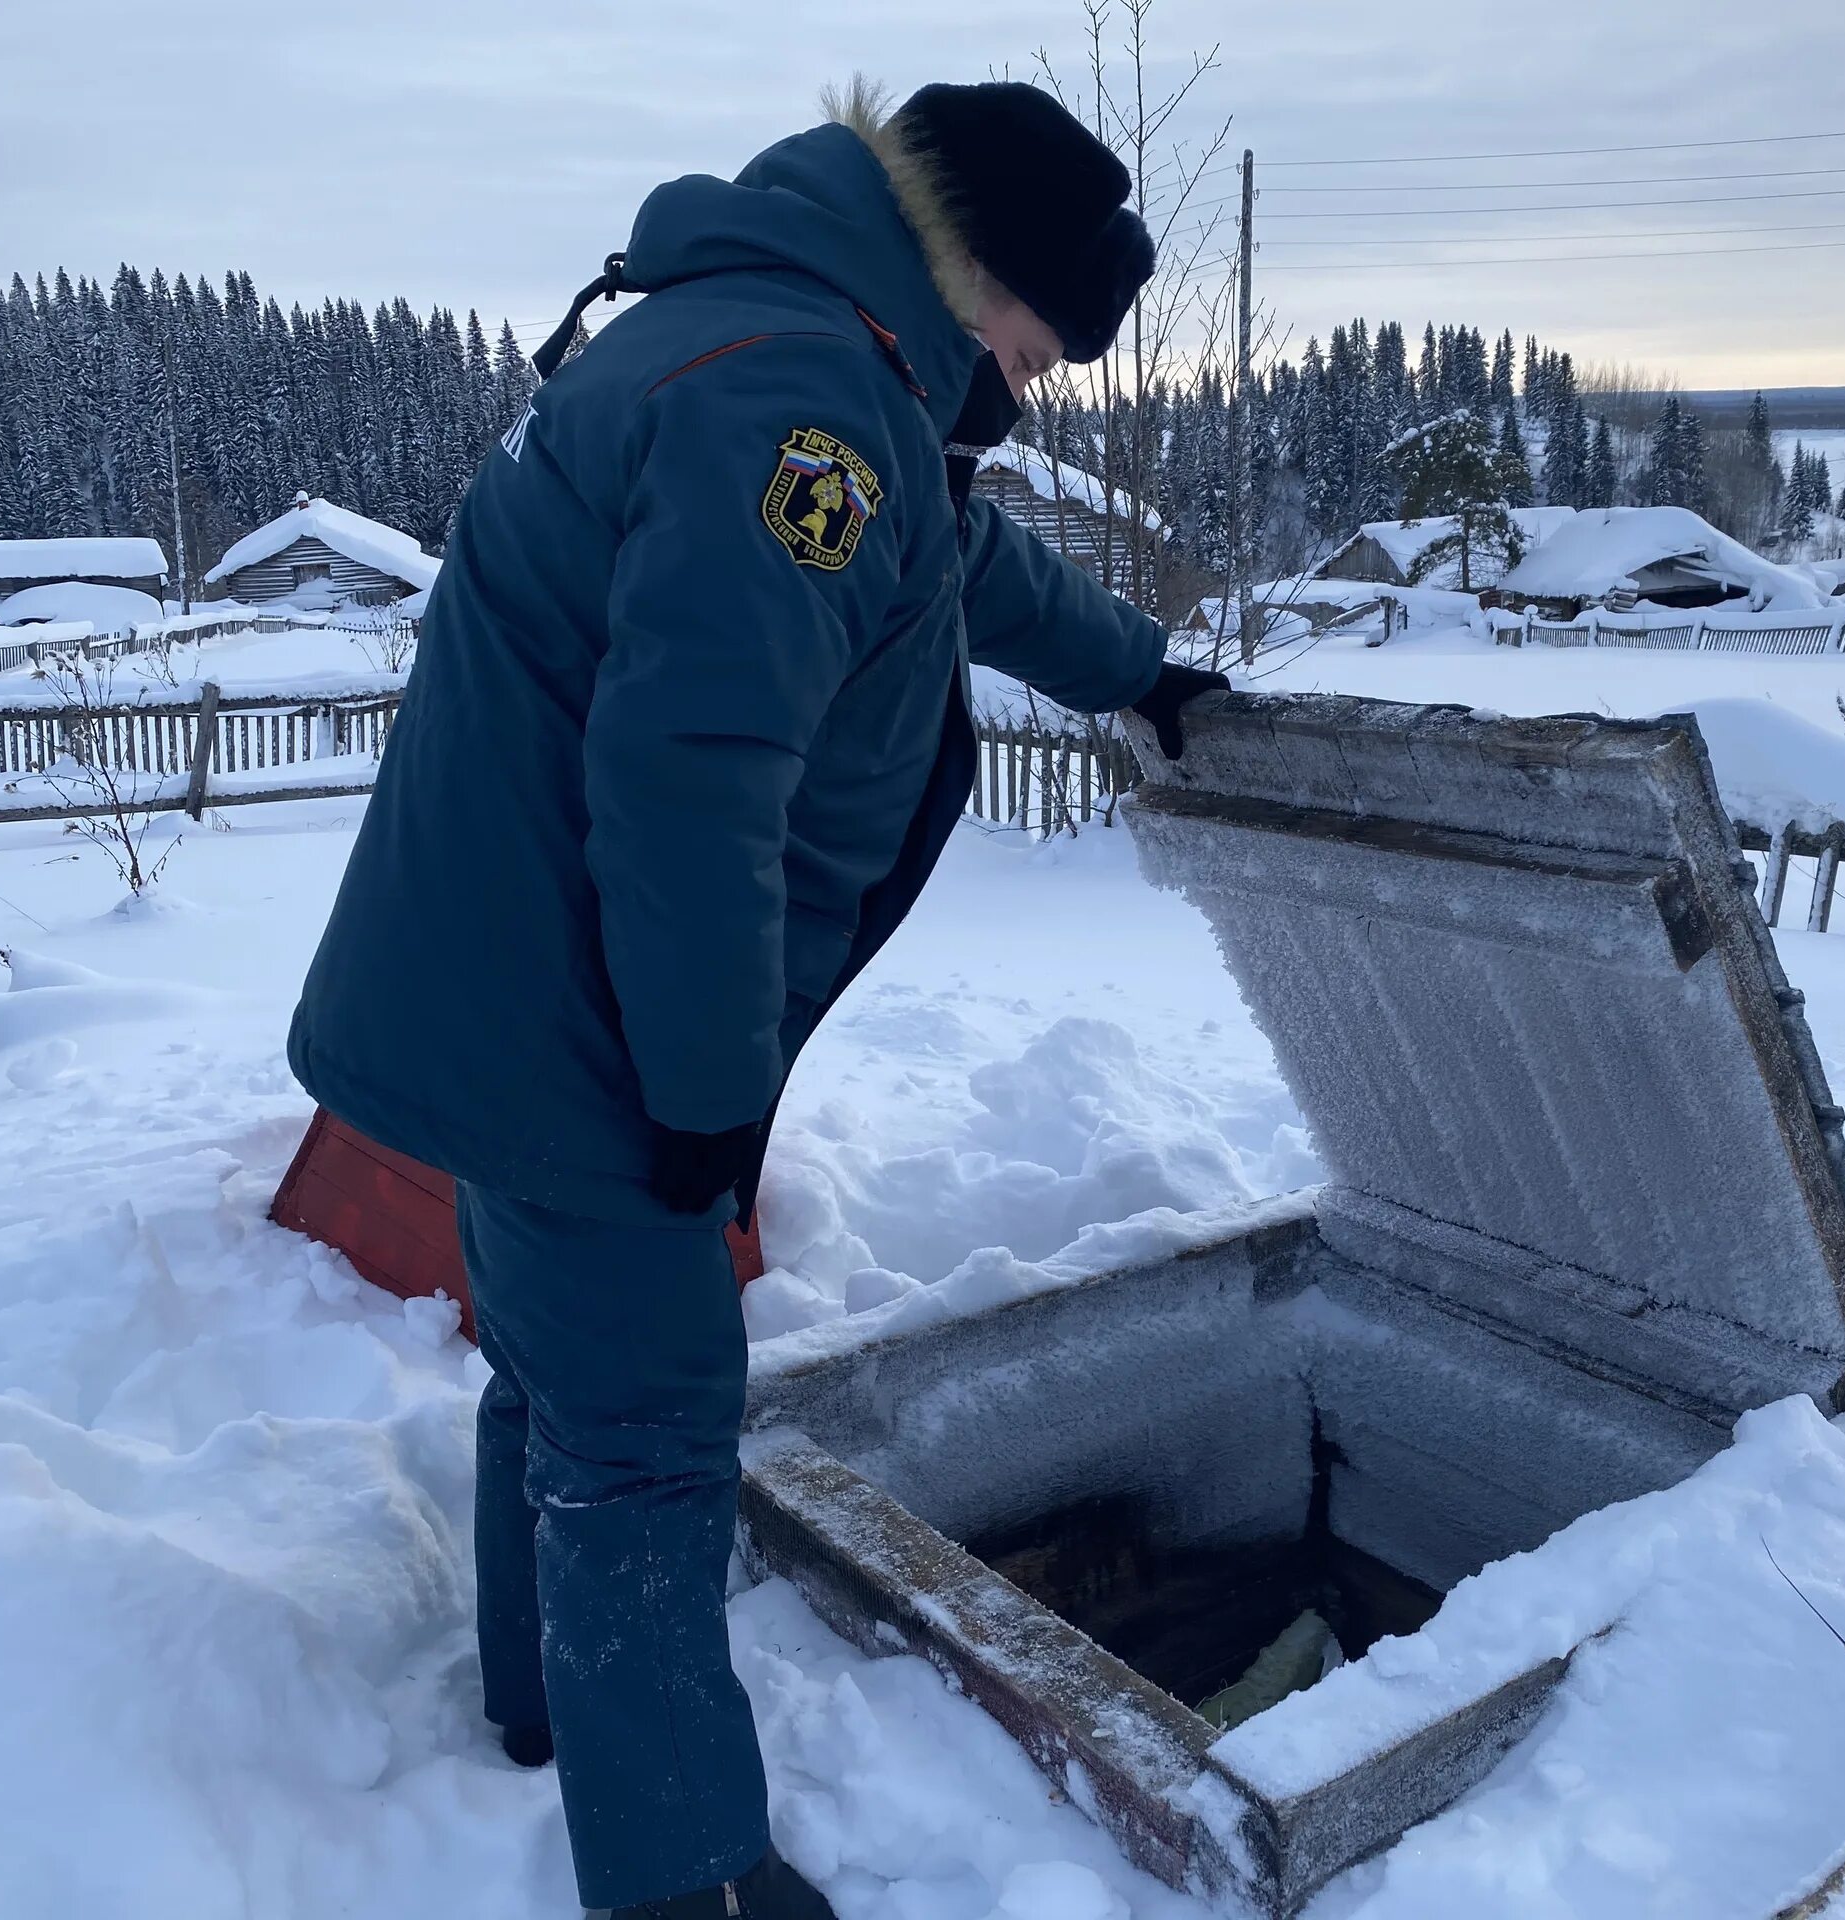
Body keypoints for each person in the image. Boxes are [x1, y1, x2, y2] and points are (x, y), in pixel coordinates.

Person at [287, 78, 1226, 1920]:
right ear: (973, 279)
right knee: (644, 1434)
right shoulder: (805, 407)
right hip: (588, 1026)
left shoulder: (772, 339)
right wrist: (704, 1093)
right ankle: (685, 1876)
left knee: (555, 1380)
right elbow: (694, 775)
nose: (1025, 392)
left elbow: (955, 557)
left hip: (507, 988)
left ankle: (546, 1706)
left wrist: (1142, 673)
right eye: (1034, 349)